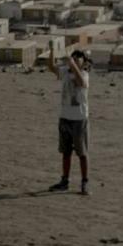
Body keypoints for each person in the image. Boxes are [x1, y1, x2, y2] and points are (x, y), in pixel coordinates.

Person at [47, 41, 91, 196]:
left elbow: (81, 83)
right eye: (74, 57)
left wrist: (72, 64)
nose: (76, 58)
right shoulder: (65, 71)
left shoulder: (84, 74)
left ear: (84, 62)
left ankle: (85, 182)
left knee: (82, 153)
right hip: (65, 117)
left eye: (79, 57)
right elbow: (51, 67)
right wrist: (52, 50)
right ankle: (64, 181)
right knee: (66, 152)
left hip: (79, 119)